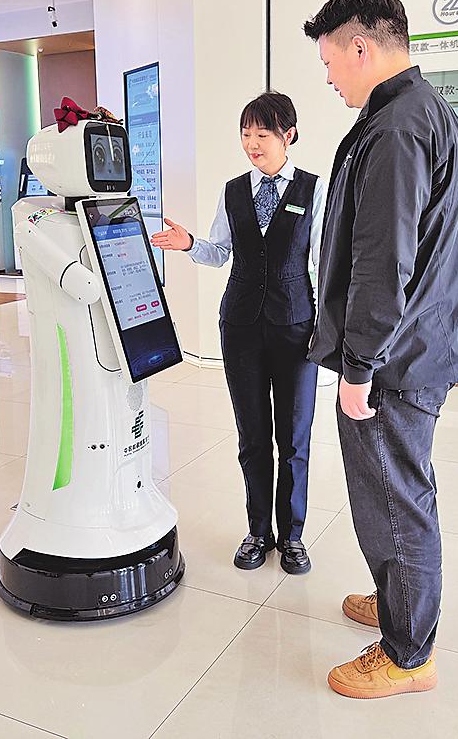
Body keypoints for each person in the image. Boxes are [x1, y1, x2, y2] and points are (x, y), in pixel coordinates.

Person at [303, 0, 458, 699]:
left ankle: (408, 653)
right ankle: (397, 601)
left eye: (330, 61)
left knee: (394, 496)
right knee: (395, 489)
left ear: (361, 47)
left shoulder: (396, 129)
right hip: (417, 343)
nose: (328, 78)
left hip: (397, 357)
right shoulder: (417, 110)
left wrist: (358, 367)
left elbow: (383, 262)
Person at [151, 92, 326, 576]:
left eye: (262, 134)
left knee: (294, 438)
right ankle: (258, 532)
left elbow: (323, 262)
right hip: (241, 326)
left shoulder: (314, 190)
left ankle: (292, 537)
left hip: (296, 328)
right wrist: (190, 244)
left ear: (289, 135)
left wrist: (330, 327)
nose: (252, 144)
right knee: (252, 436)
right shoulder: (233, 192)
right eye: (246, 134)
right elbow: (218, 252)